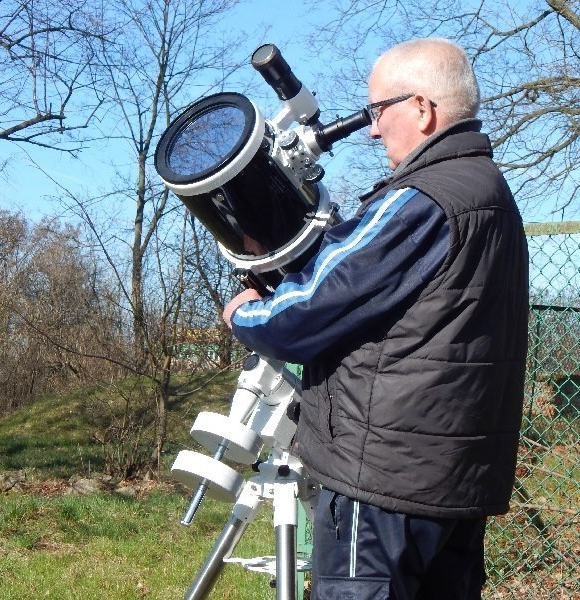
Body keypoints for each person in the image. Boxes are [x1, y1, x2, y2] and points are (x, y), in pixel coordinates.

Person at [223, 38, 529, 600]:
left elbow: (308, 309)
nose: (370, 130)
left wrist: (248, 313)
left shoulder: (422, 198)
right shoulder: (489, 195)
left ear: (421, 108)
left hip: (383, 483)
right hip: (451, 482)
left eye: (377, 111)